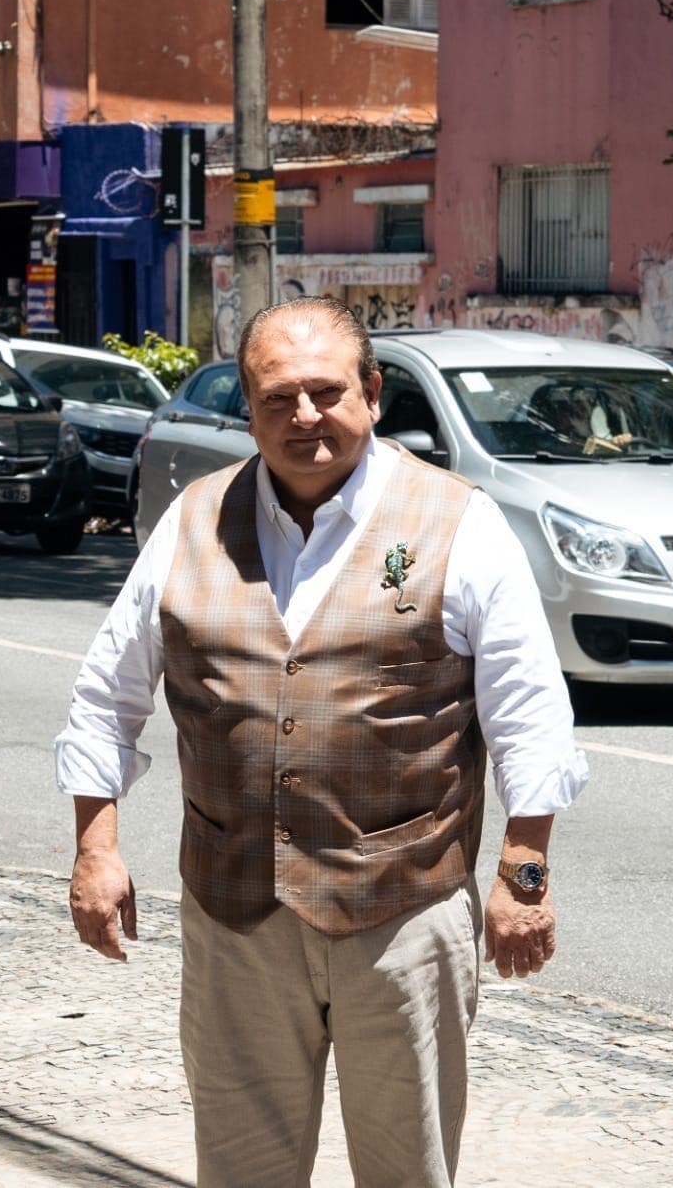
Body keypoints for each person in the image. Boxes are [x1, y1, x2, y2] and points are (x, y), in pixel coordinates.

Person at [57, 296, 586, 1188]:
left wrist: (522, 874)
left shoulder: (457, 520)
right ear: (248, 409)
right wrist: (95, 847)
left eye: (325, 391)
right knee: (241, 1172)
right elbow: (106, 698)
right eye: (277, 398)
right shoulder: (191, 521)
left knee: (407, 1172)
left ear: (372, 393)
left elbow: (528, 711)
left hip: (402, 913)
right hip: (235, 918)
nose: (305, 416)